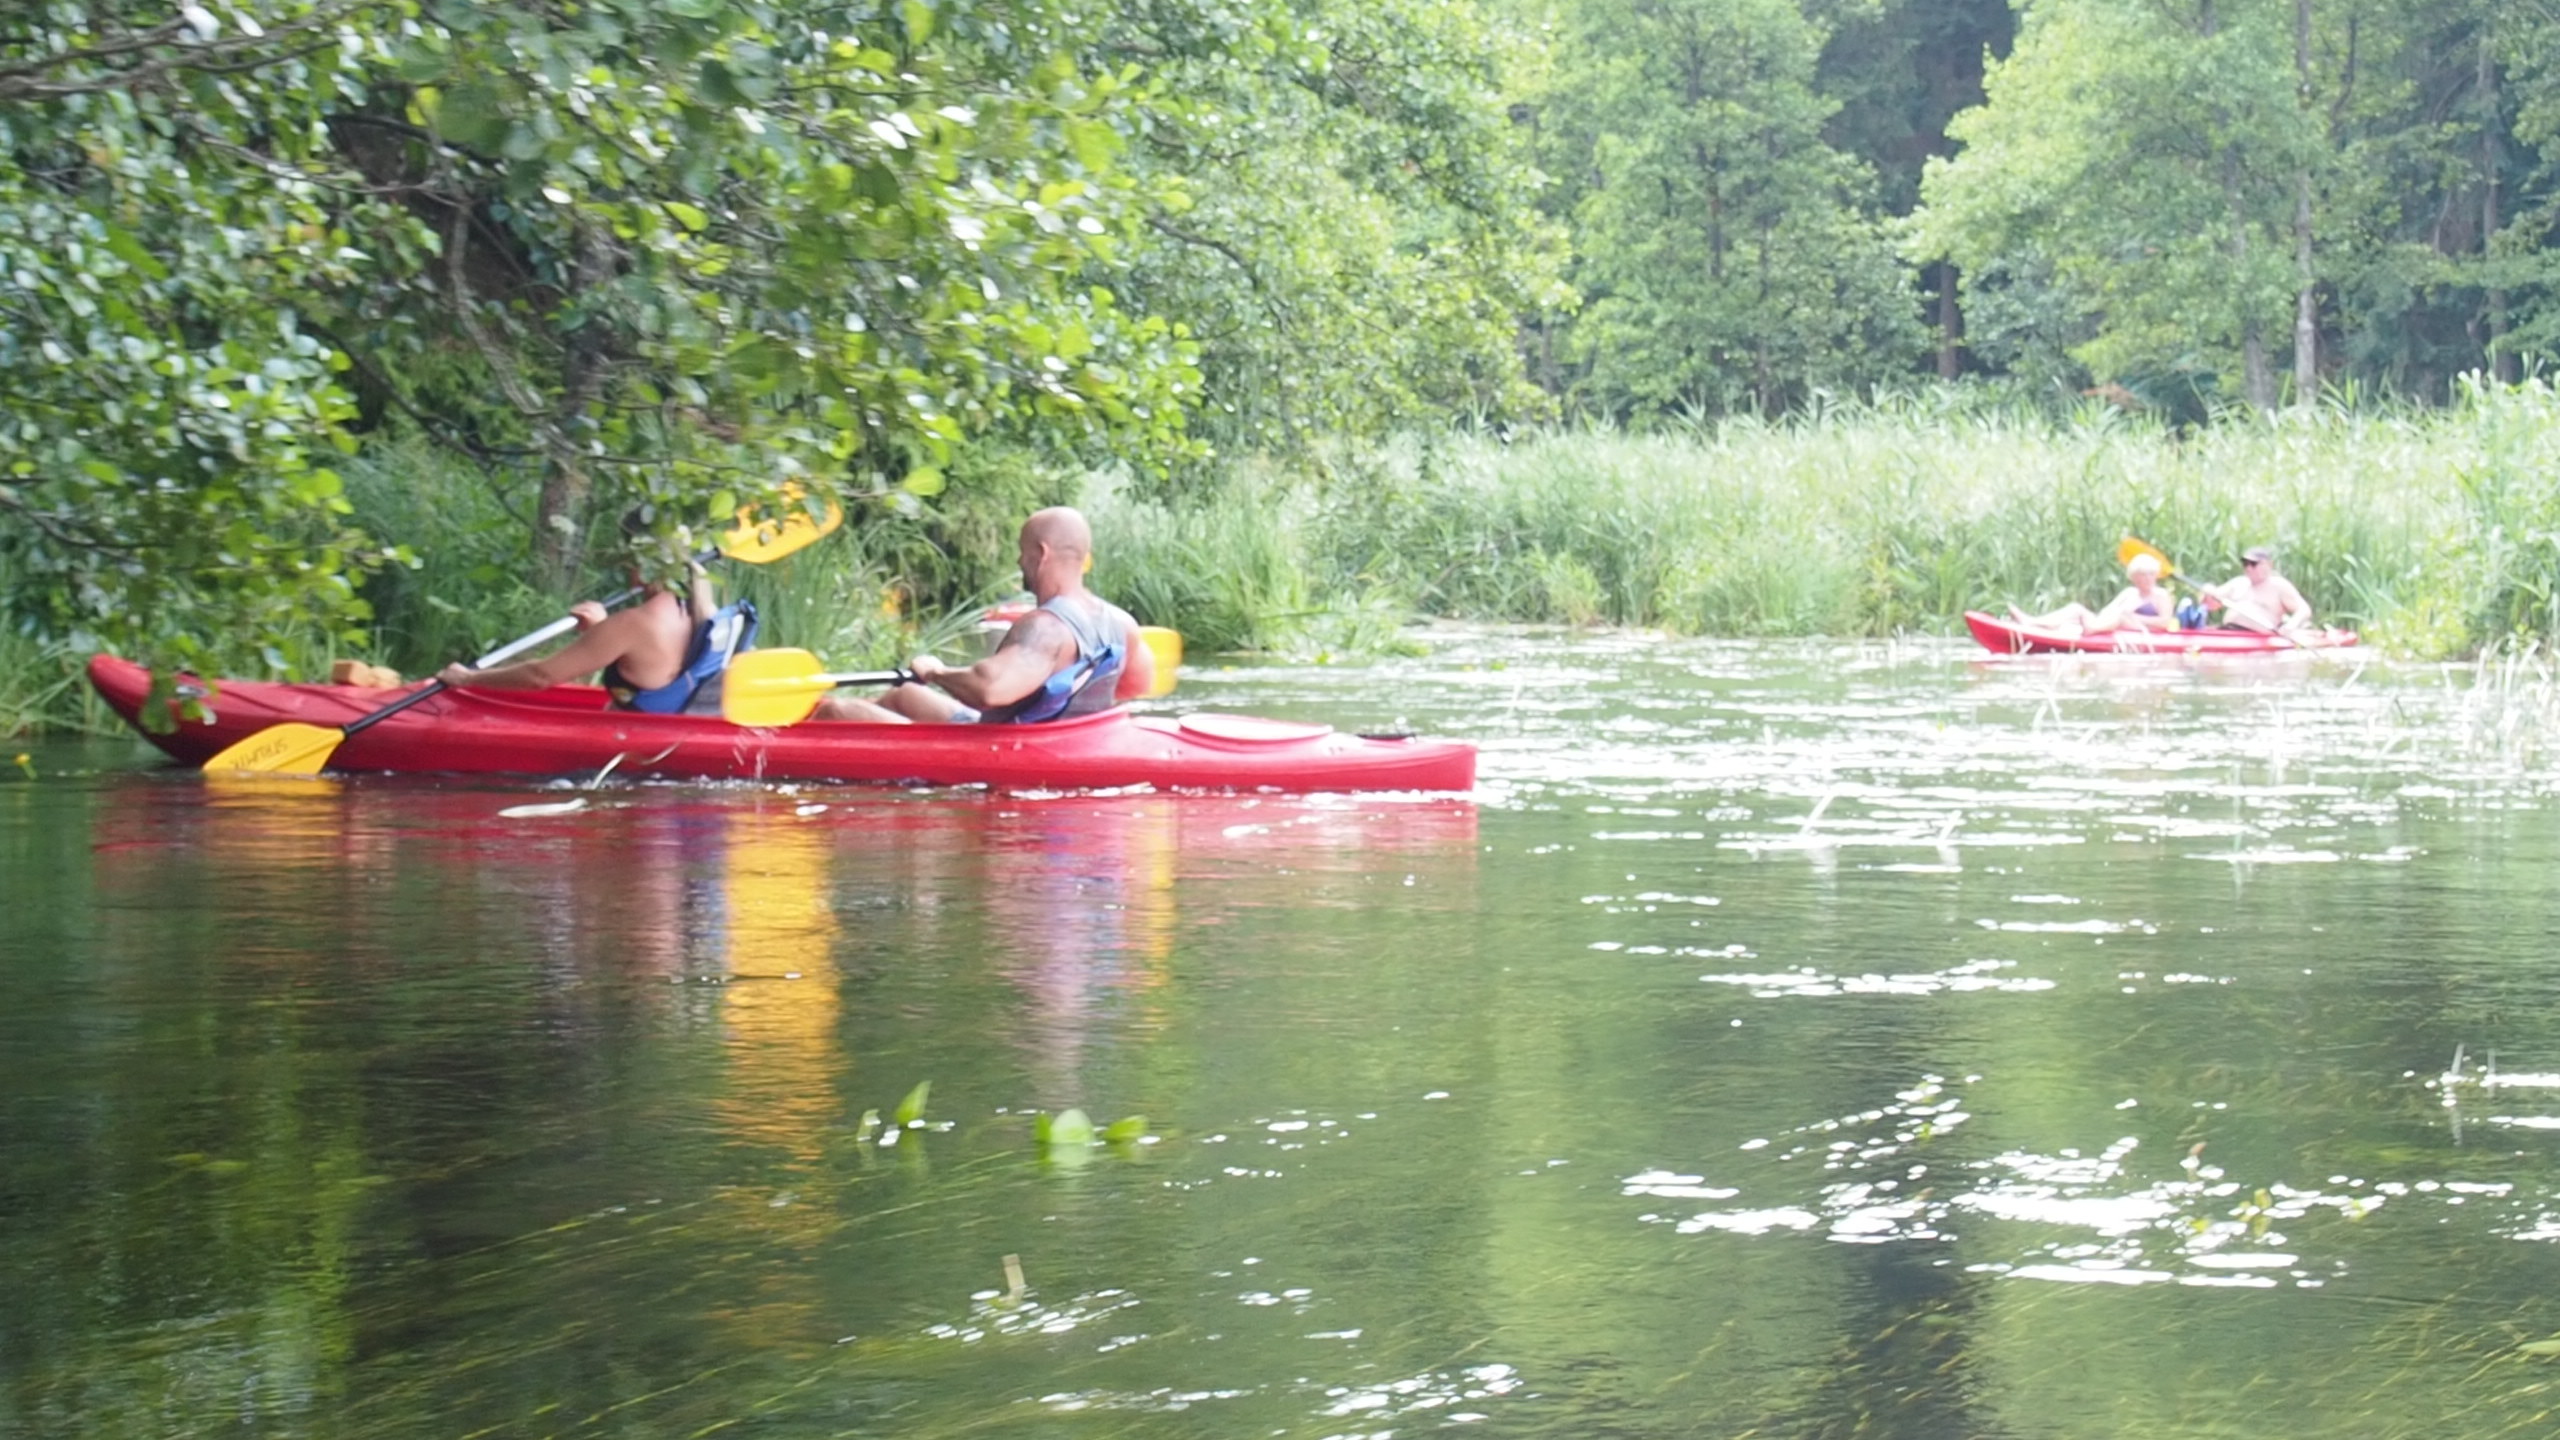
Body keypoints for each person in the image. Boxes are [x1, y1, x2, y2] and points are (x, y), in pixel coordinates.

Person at [820, 506, 1155, 724]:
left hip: (1005, 746)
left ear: (1041, 554)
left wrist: (936, 672)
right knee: (903, 694)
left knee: (835, 710)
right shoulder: (1121, 623)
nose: (1019, 561)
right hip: (1043, 735)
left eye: (1022, 552)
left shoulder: (1047, 627)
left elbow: (990, 691)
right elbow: (1135, 685)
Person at [437, 545, 756, 715]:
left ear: (643, 568)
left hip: (641, 743)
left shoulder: (634, 623)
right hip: (680, 725)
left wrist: (468, 679)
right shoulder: (702, 607)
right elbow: (656, 663)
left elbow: (540, 676)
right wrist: (601, 631)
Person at [2009, 552, 2180, 635]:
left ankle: (2092, 629)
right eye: (2142, 575)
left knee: (2120, 615)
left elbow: (2164, 622)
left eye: (2150, 574)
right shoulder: (2129, 592)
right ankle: (2033, 622)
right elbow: (2108, 610)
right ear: (2134, 577)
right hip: (2112, 625)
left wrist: (2132, 617)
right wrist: (2100, 618)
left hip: (2142, 630)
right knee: (2076, 608)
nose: (2147, 578)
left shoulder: (2161, 595)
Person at [2202, 545, 2312, 633]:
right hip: (2229, 632)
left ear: (2269, 565)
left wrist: (2291, 625)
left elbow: (2304, 609)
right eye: (2245, 564)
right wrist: (2208, 592)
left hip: (2259, 638)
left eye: (2253, 564)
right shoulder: (2237, 583)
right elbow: (2211, 604)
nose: (2249, 568)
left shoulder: (2279, 585)